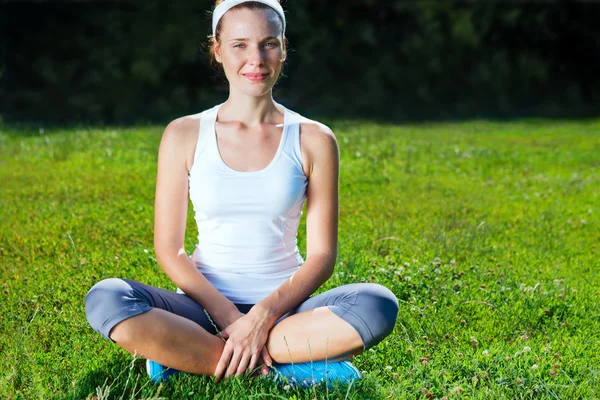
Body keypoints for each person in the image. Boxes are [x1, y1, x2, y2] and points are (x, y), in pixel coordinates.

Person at [85, 0, 399, 388]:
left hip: (287, 311)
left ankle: (189, 356)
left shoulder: (314, 138)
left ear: (283, 47)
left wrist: (262, 318)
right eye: (240, 45)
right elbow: (170, 250)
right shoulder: (183, 134)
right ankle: (286, 363)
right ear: (217, 50)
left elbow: (321, 257)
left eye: (268, 43)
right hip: (200, 309)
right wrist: (234, 320)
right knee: (106, 298)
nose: (257, 58)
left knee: (378, 304)